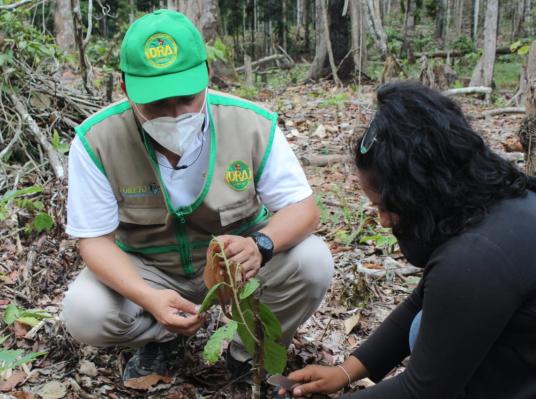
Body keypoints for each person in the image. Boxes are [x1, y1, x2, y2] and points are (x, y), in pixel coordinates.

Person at [61, 9, 334, 382]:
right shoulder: (97, 142)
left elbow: (303, 208)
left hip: (237, 268)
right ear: (125, 88)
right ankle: (163, 336)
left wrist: (261, 245)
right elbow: (94, 241)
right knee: (84, 311)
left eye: (187, 98)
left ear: (207, 74)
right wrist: (148, 298)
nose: (174, 114)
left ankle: (247, 351)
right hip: (152, 270)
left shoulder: (250, 124)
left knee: (313, 261)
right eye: (157, 103)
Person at [281, 81, 536, 398]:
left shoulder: (475, 260)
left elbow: (422, 391)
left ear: (417, 192)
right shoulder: (502, 198)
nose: (384, 220)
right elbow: (427, 298)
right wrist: (345, 371)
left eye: (385, 207)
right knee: (423, 325)